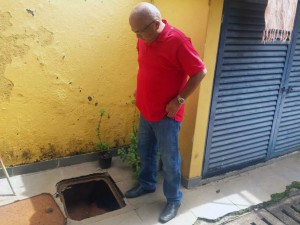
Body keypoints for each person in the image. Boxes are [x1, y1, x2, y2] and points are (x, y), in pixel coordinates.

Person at [125, 2, 207, 223]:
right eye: (134, 32)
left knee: (170, 161)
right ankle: (147, 184)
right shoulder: (143, 38)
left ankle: (173, 199)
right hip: (146, 108)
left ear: (156, 23)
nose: (137, 36)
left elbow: (200, 72)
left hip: (167, 115)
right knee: (145, 150)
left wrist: (178, 100)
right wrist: (139, 89)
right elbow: (146, 65)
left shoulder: (178, 41)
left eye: (140, 31)